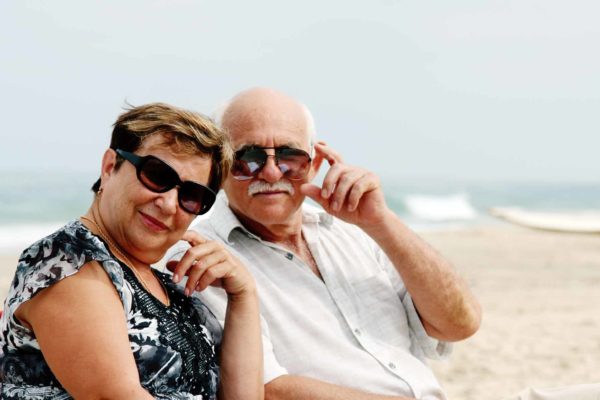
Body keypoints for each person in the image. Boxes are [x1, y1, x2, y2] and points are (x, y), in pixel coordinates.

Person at [165, 88, 482, 399]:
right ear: (219, 168)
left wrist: (382, 222)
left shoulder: (355, 234)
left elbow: (459, 325)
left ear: (315, 164)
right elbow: (264, 389)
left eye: (291, 158)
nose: (273, 172)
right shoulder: (203, 256)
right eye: (248, 159)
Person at [0, 103, 263, 399]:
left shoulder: (166, 285)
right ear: (110, 167)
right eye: (156, 176)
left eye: (191, 195)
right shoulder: (67, 263)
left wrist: (244, 295)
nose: (168, 203)